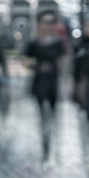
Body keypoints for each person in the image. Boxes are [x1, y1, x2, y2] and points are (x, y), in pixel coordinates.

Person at [23, 11, 66, 161]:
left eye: (50, 23)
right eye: (44, 22)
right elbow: (25, 59)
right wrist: (36, 67)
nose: (47, 26)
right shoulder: (34, 43)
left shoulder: (57, 42)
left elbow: (62, 61)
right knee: (42, 112)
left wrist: (65, 79)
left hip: (53, 80)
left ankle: (53, 139)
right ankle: (45, 141)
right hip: (40, 80)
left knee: (53, 112)